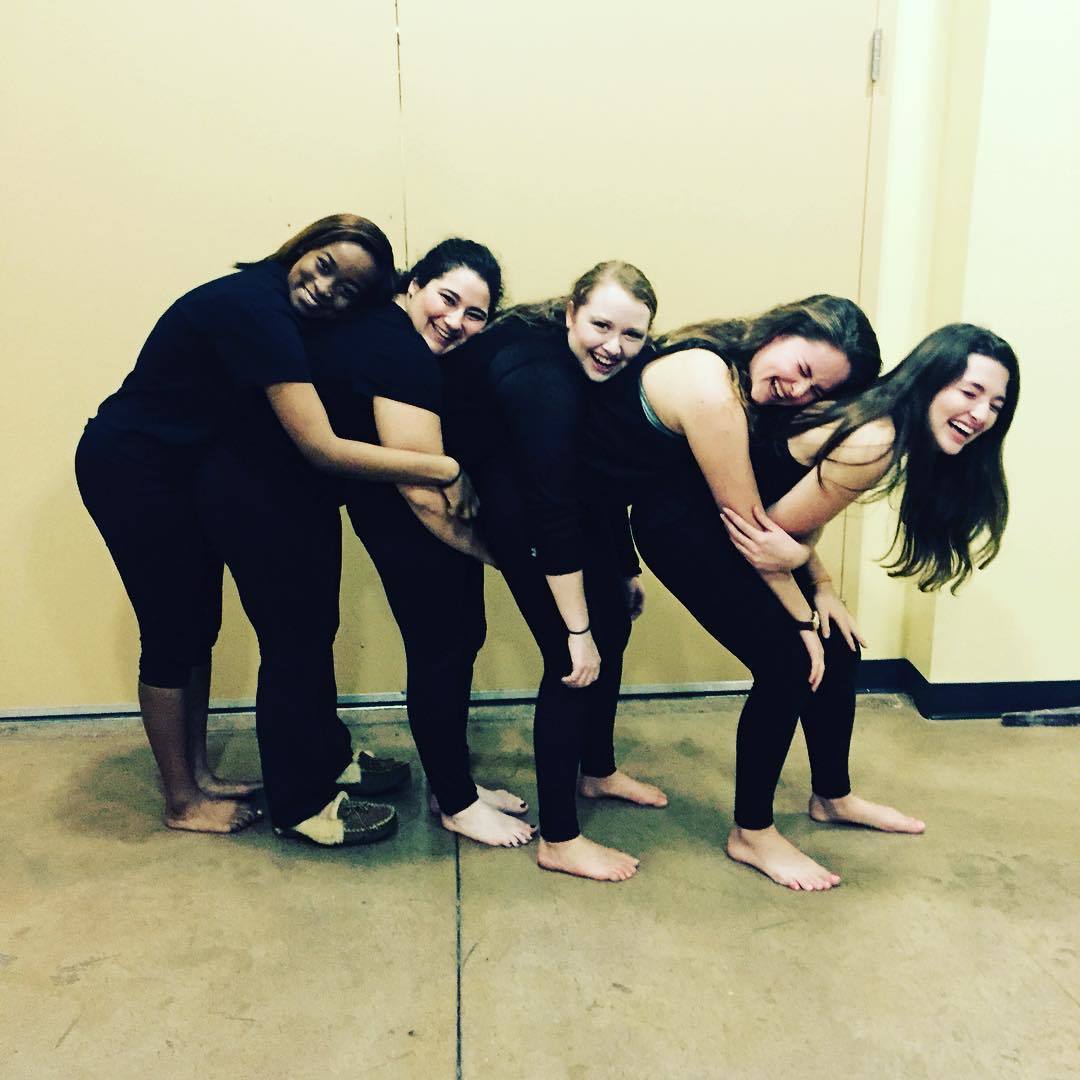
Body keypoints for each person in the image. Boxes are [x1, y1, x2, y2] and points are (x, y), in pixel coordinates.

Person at [76, 214, 462, 835]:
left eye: (347, 290)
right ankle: (183, 800)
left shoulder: (286, 311)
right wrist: (445, 468)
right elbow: (320, 447)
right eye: (325, 266)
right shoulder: (256, 309)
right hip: (133, 469)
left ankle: (201, 774)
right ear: (302, 246)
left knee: (199, 624)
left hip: (185, 470)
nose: (325, 289)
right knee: (173, 631)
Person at [629, 322, 1018, 891]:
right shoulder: (876, 439)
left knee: (838, 645)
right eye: (970, 392)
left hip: (740, 525)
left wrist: (824, 591)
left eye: (996, 406)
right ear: (932, 379)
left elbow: (789, 521)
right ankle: (751, 832)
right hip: (684, 526)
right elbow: (770, 538)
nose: (981, 414)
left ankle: (832, 797)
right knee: (789, 664)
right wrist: (801, 617)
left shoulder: (882, 423)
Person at [196, 238, 533, 847]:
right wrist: (520, 564)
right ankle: (316, 805)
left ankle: (428, 780)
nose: (455, 321)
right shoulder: (398, 350)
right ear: (414, 284)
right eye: (446, 298)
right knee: (330, 642)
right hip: (259, 494)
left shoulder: (389, 332)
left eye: (474, 314)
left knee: (382, 634)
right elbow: (424, 495)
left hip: (299, 493)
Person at [443, 261, 666, 882]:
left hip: (550, 504)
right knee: (572, 665)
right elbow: (552, 508)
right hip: (516, 515)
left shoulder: (594, 369)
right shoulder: (544, 381)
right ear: (571, 313)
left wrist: (623, 568)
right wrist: (575, 629)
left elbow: (595, 482)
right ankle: (560, 839)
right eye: (601, 326)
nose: (614, 346)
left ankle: (597, 770)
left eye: (632, 335)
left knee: (613, 630)